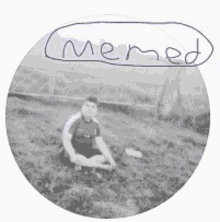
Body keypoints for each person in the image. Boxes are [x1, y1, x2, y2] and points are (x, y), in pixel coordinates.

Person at [60, 96, 117, 172]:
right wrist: (72, 154)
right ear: (82, 107)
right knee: (76, 158)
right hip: (73, 149)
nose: (89, 109)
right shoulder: (74, 120)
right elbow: (66, 140)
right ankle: (100, 166)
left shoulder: (95, 124)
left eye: (93, 107)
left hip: (87, 150)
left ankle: (84, 165)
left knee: (104, 157)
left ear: (96, 110)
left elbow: (100, 143)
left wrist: (111, 161)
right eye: (87, 105)